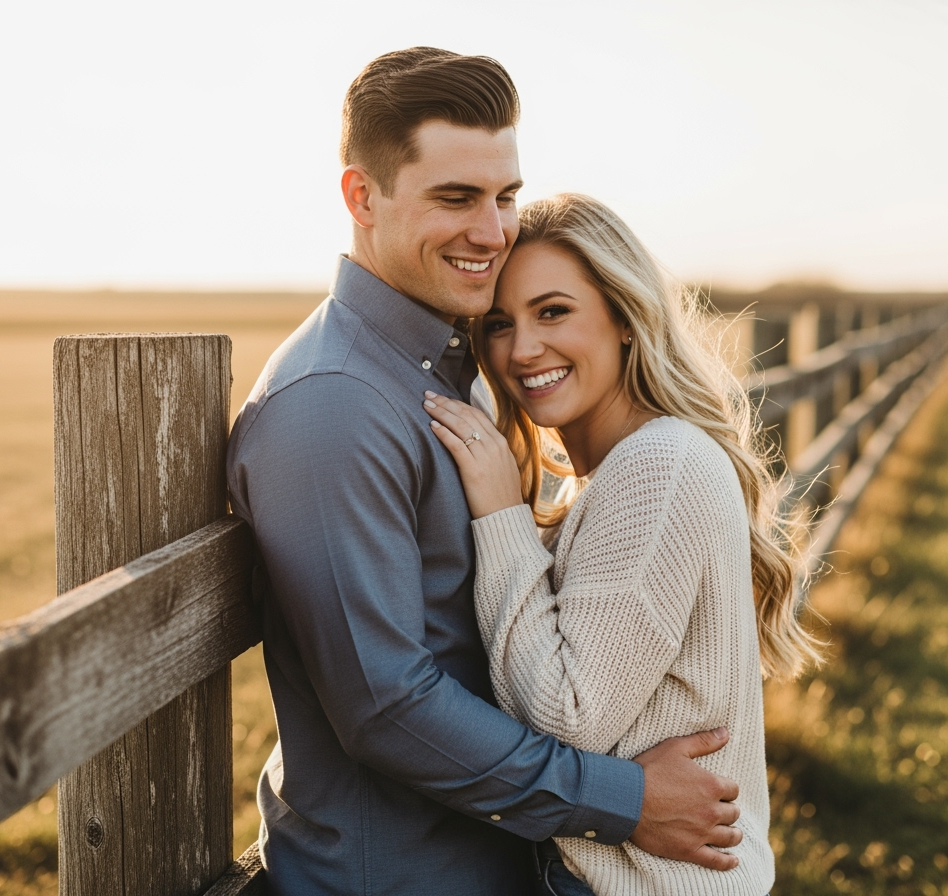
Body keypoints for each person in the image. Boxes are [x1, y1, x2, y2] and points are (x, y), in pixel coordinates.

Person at [226, 48, 745, 896]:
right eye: (456, 198)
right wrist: (624, 799)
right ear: (363, 196)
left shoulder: (442, 362)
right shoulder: (332, 406)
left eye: (505, 196)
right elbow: (385, 706)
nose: (493, 230)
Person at [421, 193, 822, 895]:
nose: (522, 350)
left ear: (625, 319)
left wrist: (499, 516)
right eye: (497, 324)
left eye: (553, 312)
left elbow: (566, 720)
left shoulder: (655, 468)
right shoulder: (622, 470)